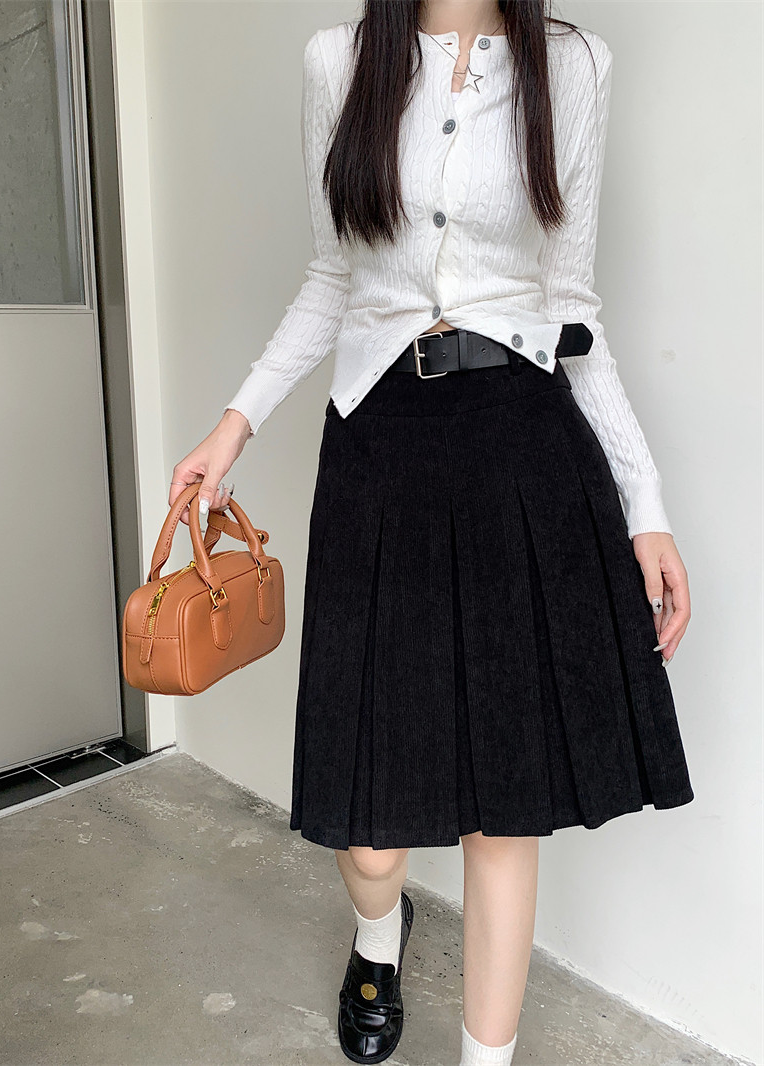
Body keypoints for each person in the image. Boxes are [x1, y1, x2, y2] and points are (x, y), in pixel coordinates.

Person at [169, 2, 695, 1063]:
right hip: (380, 449)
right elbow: (333, 277)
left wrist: (645, 505)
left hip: (519, 447)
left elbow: (573, 305)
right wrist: (234, 424)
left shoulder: (574, 67)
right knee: (369, 832)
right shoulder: (340, 61)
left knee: (505, 807)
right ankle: (379, 930)